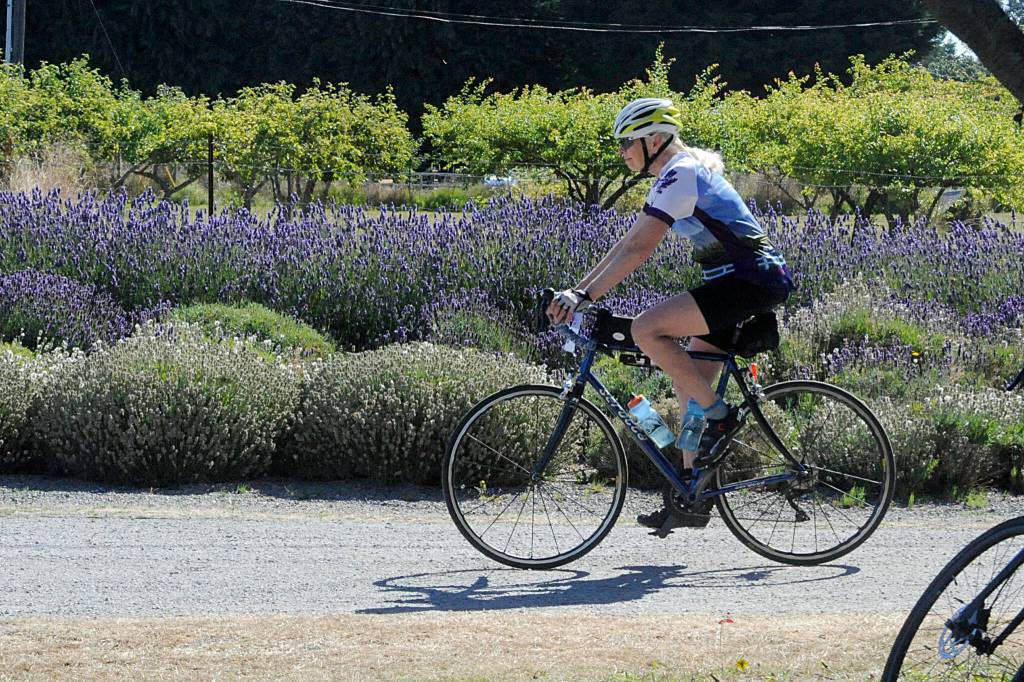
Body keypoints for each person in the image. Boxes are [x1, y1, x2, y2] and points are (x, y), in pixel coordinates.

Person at [546, 97, 794, 530]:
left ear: (655, 139)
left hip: (750, 279)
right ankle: (691, 495)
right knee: (690, 385)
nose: (622, 151)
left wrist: (582, 296)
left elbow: (639, 250)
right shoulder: (674, 175)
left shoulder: (682, 173)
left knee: (647, 329)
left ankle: (721, 417)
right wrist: (579, 291)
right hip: (734, 281)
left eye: (628, 142)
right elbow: (626, 244)